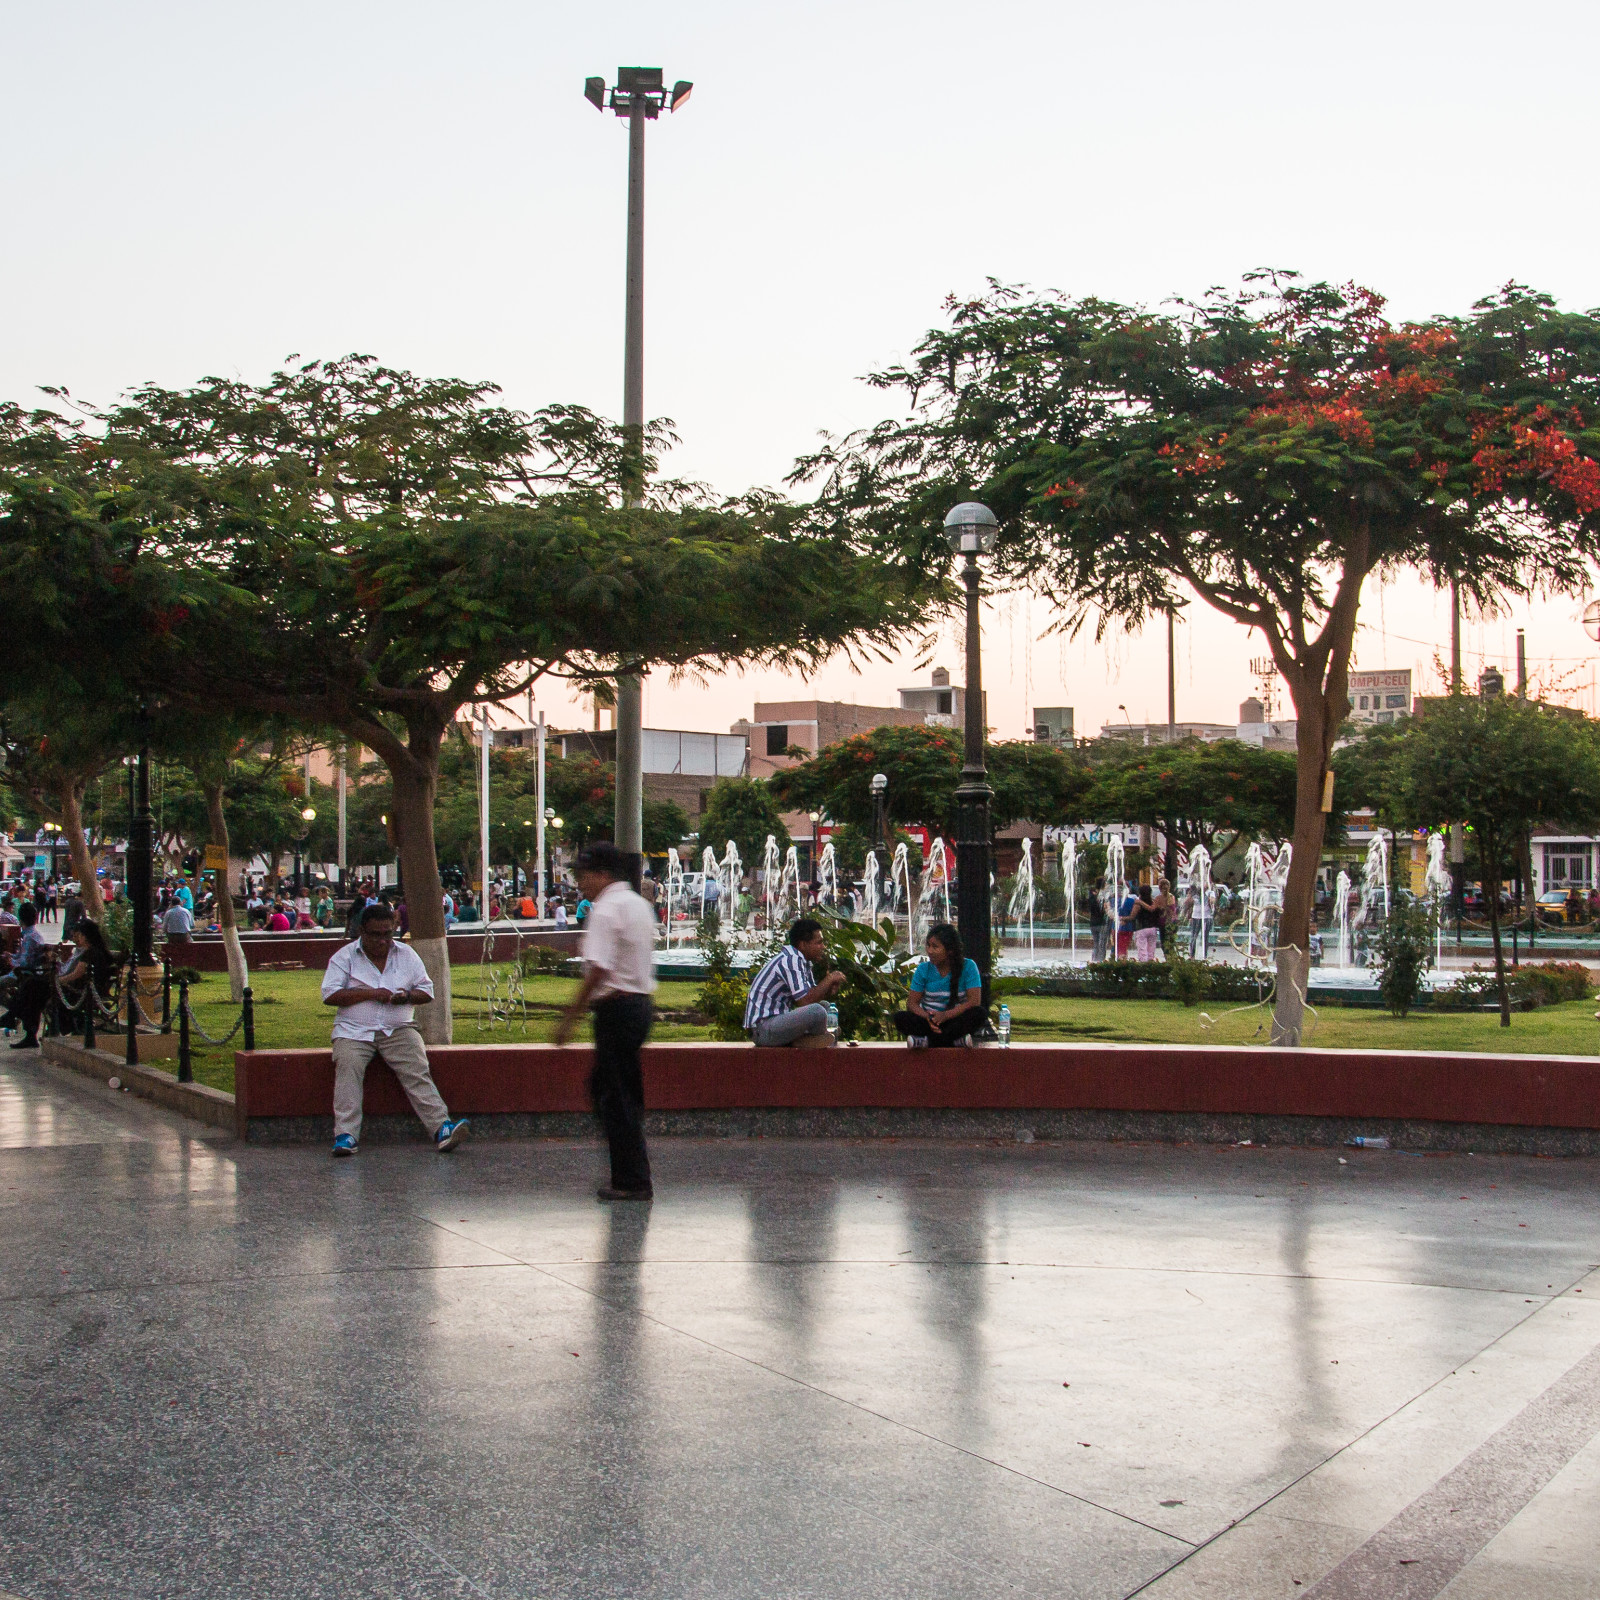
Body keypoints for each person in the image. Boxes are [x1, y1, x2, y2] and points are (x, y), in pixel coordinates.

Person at [320, 903, 470, 1157]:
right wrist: (370, 994)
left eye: (388, 934)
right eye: (375, 935)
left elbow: (427, 992)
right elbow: (330, 995)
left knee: (417, 1067)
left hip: (398, 1027)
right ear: (361, 932)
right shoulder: (344, 957)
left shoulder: (407, 955)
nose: (382, 941)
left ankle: (441, 1128)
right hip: (354, 1030)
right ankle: (345, 1135)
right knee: (348, 1067)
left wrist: (406, 996)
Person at [555, 842, 658, 1201]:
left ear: (601, 874)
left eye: (582, 876)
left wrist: (569, 1019)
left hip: (616, 1009)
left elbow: (598, 969)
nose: (579, 883)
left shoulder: (605, 909)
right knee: (614, 1090)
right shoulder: (638, 905)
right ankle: (632, 1170)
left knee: (614, 1096)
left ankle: (632, 1181)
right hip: (639, 1006)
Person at [743, 918, 845, 1047]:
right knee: (818, 1011)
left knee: (824, 1006)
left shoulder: (803, 962)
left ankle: (807, 1039)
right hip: (764, 1030)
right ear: (803, 945)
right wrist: (829, 979)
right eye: (819, 943)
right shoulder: (791, 960)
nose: (823, 947)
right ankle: (810, 1038)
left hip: (774, 1025)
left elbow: (809, 998)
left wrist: (828, 988)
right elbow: (805, 1001)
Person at [894, 923, 987, 1048]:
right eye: (928, 945)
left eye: (935, 947)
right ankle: (955, 1041)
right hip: (930, 1022)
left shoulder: (969, 967)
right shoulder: (923, 969)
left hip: (954, 1020)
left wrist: (945, 1015)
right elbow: (912, 1003)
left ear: (950, 950)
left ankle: (928, 1041)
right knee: (900, 1018)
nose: (930, 951)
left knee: (978, 1013)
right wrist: (928, 1018)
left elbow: (974, 1001)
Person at [4, 903, 50, 1048]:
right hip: (30, 976)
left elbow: (25, 963)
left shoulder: (30, 937)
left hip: (27, 975)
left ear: (20, 919)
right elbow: (22, 957)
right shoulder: (32, 935)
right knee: (23, 997)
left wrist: (11, 961)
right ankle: (13, 1014)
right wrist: (11, 956)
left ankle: (13, 1014)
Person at [1131, 885, 1162, 962]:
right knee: (1151, 950)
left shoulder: (1137, 903)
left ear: (1140, 893)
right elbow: (1153, 910)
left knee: (1142, 950)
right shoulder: (1154, 902)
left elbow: (1132, 916)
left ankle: (1143, 967)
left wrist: (1123, 918)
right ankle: (1151, 965)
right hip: (1153, 928)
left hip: (1141, 928)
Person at [1088, 887, 1110, 964]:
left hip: (1092, 923)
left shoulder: (1090, 899)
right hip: (1101, 924)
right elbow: (1104, 910)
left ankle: (1094, 960)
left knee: (1096, 943)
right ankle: (1100, 961)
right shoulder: (1100, 899)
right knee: (1102, 944)